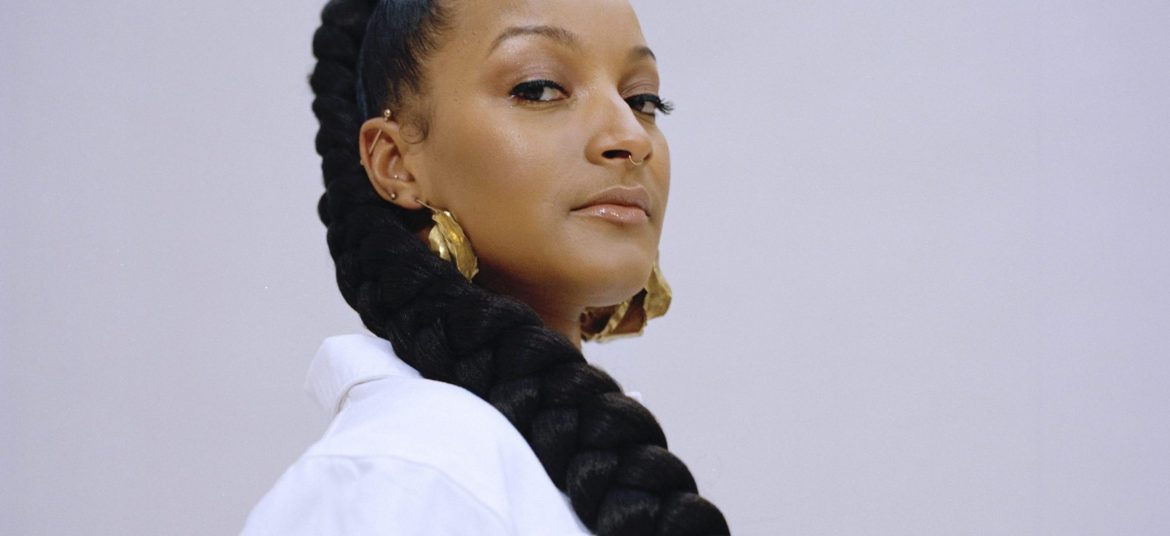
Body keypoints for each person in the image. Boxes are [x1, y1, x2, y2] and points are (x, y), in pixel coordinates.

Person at [241, 0, 729, 534]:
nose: (631, 137)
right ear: (395, 163)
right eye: (539, 88)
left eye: (643, 100)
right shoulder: (406, 477)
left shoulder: (485, 467)